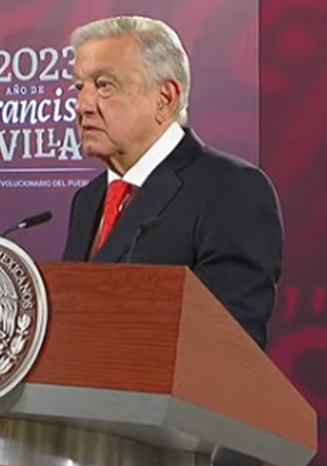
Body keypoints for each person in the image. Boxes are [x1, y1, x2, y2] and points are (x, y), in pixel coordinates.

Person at [62, 16, 283, 350]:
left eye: (104, 85)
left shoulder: (232, 190)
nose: (82, 106)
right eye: (80, 87)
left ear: (165, 98)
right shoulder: (89, 199)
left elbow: (229, 344)